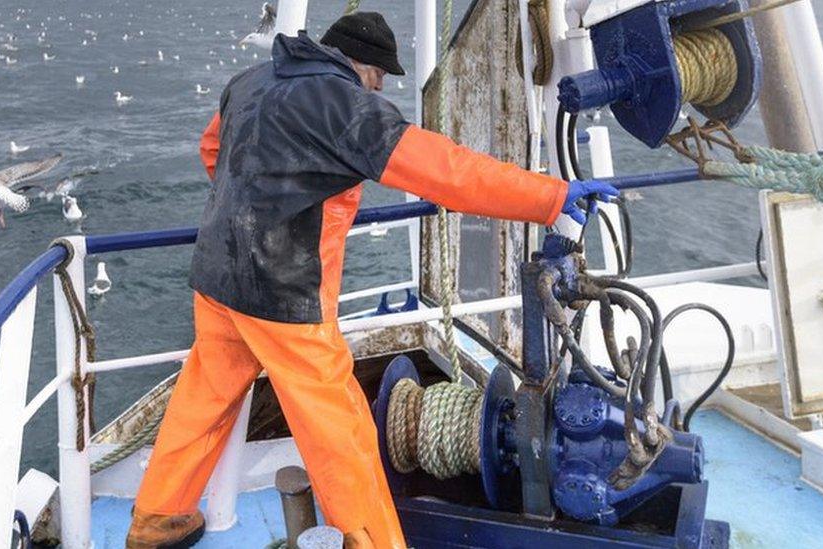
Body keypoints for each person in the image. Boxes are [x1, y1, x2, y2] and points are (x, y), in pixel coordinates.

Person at [126, 11, 617, 549]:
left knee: (204, 394)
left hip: (219, 276)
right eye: (381, 77)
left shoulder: (251, 81)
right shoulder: (346, 108)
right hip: (283, 294)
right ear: (361, 66)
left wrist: (256, 210)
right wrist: (549, 198)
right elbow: (446, 171)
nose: (381, 87)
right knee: (338, 427)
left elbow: (213, 152)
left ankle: (156, 517)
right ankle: (371, 540)